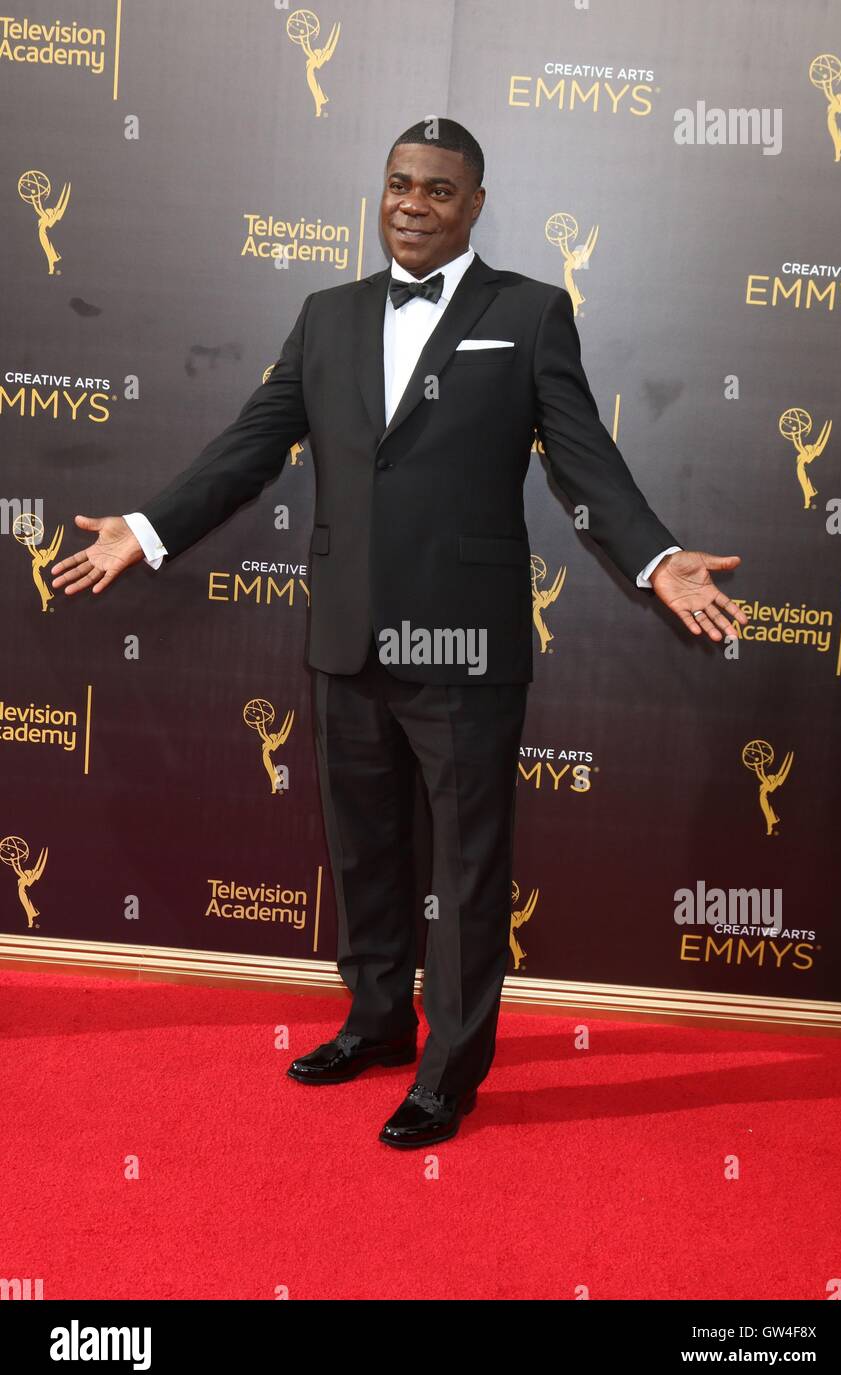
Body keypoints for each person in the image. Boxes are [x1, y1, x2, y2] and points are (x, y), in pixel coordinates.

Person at [51, 118, 747, 1149]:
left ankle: (448, 1071)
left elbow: (582, 459)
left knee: (466, 872)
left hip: (462, 647)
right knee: (363, 849)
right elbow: (248, 446)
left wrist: (651, 557)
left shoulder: (528, 312)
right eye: (396, 184)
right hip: (345, 634)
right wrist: (148, 528)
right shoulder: (325, 314)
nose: (411, 203)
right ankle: (376, 1022)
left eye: (436, 188)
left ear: (473, 203)